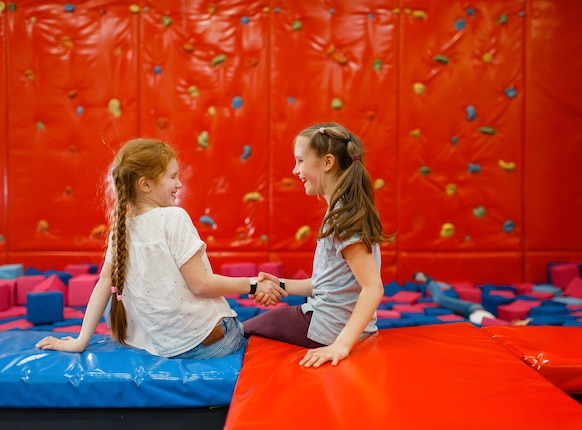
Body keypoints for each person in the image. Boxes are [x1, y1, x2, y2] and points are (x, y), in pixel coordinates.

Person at [36, 138, 285, 359]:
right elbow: (201, 285)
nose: (179, 184)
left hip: (165, 346)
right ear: (145, 184)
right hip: (209, 343)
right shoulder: (173, 217)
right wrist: (253, 284)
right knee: (271, 323)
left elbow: (103, 284)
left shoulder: (121, 228)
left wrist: (81, 341)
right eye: (172, 176)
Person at [243, 122, 387, 368]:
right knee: (261, 324)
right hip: (331, 324)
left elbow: (373, 287)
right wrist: (280, 284)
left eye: (300, 161)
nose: (294, 170)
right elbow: (326, 285)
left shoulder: (344, 218)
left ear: (327, 163)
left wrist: (341, 345)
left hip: (325, 328)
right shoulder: (344, 210)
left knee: (241, 330)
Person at [413, 272, 531, 325]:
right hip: (472, 308)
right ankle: (430, 281)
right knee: (440, 299)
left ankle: (440, 285)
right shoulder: (503, 325)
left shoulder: (505, 327)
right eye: (520, 321)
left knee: (443, 302)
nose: (517, 321)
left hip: (465, 314)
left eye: (520, 323)